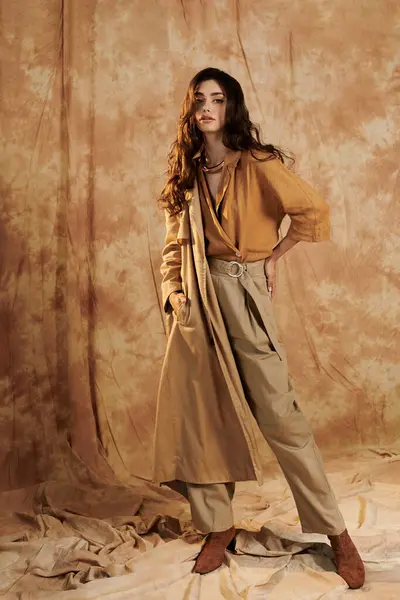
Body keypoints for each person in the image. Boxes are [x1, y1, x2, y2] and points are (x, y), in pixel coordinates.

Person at [153, 67, 365, 589]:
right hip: (196, 305)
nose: (207, 107)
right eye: (199, 99)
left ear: (232, 107)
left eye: (218, 99)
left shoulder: (259, 162)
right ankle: (218, 528)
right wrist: (175, 294)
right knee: (203, 418)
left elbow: (312, 211)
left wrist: (275, 255)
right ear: (190, 109)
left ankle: (336, 532)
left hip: (243, 293)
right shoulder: (186, 170)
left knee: (281, 416)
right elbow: (174, 249)